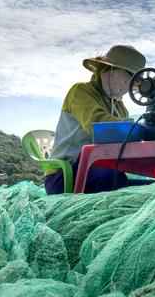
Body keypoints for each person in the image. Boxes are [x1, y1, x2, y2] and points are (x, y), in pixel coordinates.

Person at [45, 44, 147, 195]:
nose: (129, 87)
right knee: (111, 177)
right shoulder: (80, 92)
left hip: (99, 169)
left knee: (151, 187)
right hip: (64, 175)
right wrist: (142, 130)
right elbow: (98, 126)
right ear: (111, 70)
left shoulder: (120, 107)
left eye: (135, 82)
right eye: (129, 78)